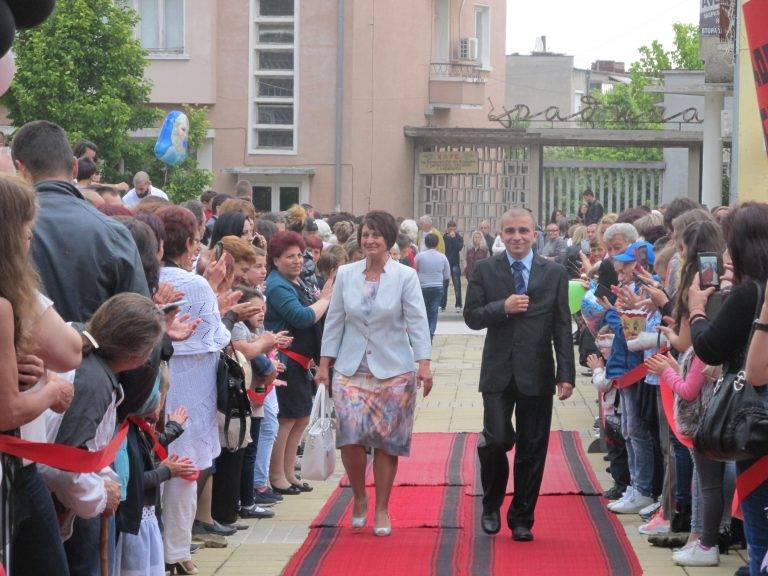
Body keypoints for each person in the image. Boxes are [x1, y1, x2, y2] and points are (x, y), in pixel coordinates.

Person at [317, 210, 433, 537]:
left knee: (386, 442)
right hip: (350, 369)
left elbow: (418, 321)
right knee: (350, 437)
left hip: (394, 370)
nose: (369, 241)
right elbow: (334, 321)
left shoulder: (405, 276)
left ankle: (382, 507)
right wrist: (324, 365)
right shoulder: (345, 274)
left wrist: (424, 364)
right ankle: (359, 496)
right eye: (365, 235)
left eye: (376, 235)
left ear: (388, 239)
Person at [463, 207, 575, 541]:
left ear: (534, 235)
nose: (517, 237)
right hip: (497, 371)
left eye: (523, 230)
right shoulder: (485, 269)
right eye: (510, 231)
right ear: (500, 234)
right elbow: (472, 316)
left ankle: (523, 517)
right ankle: (491, 503)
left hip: (537, 372)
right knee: (496, 440)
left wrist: (566, 373)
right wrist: (503, 307)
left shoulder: (554, 273)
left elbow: (561, 325)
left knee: (532, 447)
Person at [0, 175, 80, 576]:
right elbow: (8, 411)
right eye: (27, 232)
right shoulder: (5, 305)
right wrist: (51, 390)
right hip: (11, 464)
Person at [687, 202, 768, 576]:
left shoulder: (751, 293)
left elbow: (713, 350)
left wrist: (697, 310)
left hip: (754, 418)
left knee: (759, 523)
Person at [11, 120, 150, 322]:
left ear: (20, 169)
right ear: (75, 167)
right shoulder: (114, 233)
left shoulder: (9, 231)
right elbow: (140, 325)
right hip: (97, 342)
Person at [157, 205, 231, 574]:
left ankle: (164, 548)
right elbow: (216, 336)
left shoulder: (147, 276)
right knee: (185, 466)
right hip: (191, 384)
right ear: (188, 242)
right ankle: (177, 549)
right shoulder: (195, 283)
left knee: (159, 462)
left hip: (158, 380)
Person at [265, 231, 334, 496]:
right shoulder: (277, 285)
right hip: (286, 361)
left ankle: (290, 472)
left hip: (301, 362)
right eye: (289, 256)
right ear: (275, 259)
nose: (296, 261)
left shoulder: (298, 281)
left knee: (301, 418)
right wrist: (324, 300)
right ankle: (277, 475)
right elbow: (302, 317)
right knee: (286, 420)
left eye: (299, 256)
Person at [415, 233, 450, 340]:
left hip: (423, 286)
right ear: (437, 243)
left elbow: (414, 271)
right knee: (434, 311)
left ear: (425, 243)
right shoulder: (442, 257)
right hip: (437, 286)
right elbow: (447, 275)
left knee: (423, 310)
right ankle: (431, 331)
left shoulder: (419, 256)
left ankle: (424, 331)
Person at [442, 220, 464, 312]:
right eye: (450, 229)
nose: (452, 231)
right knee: (444, 285)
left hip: (455, 264)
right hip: (445, 264)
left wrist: (453, 238)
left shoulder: (459, 237)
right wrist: (448, 237)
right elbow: (443, 248)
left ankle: (458, 305)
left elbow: (459, 247)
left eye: (454, 229)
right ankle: (442, 305)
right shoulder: (444, 237)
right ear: (447, 229)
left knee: (457, 285)